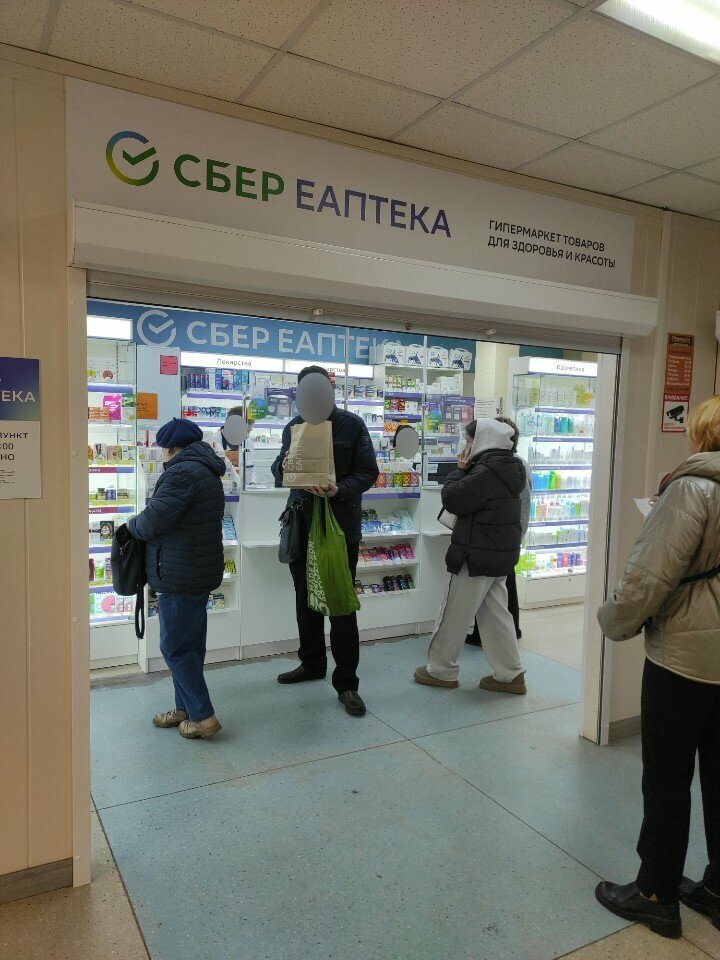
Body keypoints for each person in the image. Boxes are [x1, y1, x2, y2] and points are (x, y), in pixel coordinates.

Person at [595, 396, 720, 940]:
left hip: (685, 657)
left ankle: (655, 893)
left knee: (667, 777)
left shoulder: (693, 488)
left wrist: (613, 621)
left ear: (703, 433)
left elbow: (649, 575)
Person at [271, 366, 379, 717]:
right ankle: (312, 663)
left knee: (340, 603)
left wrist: (339, 489)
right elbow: (277, 471)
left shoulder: (352, 425)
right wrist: (285, 467)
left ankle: (347, 683)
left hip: (338, 528)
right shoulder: (293, 427)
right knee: (305, 599)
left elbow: (369, 472)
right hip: (300, 524)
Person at [413, 417, 527, 693]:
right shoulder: (512, 468)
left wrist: (458, 471)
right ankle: (510, 674)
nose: (465, 446)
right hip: (498, 555)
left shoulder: (485, 472)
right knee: (496, 615)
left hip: (474, 554)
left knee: (453, 613)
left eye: (469, 440)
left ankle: (441, 670)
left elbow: (453, 499)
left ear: (483, 440)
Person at [128, 417, 225, 740]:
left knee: (174, 647)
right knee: (190, 646)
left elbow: (154, 519)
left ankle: (203, 716)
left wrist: (131, 525)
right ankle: (184, 709)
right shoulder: (207, 469)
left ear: (170, 449)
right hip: (196, 570)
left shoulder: (182, 473)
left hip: (179, 572)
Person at [466, 416, 530, 646]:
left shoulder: (509, 466)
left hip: (504, 536)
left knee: (501, 587)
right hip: (509, 534)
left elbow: (522, 503)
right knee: (503, 586)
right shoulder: (516, 464)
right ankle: (506, 631)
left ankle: (505, 632)